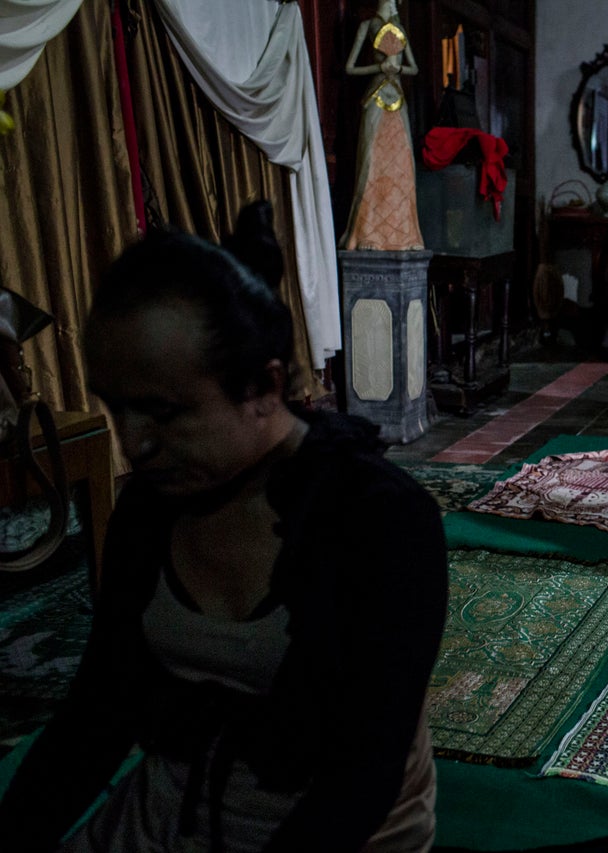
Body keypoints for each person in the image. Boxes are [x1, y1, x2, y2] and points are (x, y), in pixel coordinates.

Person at [0, 204, 449, 851]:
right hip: (166, 823)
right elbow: (98, 714)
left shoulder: (380, 518)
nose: (134, 444)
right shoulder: (151, 509)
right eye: (117, 409)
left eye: (162, 412)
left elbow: (361, 779)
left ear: (264, 387)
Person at [341, 0, 425, 252]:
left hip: (397, 102)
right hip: (375, 100)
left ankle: (406, 235)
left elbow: (414, 68)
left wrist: (398, 67)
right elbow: (349, 67)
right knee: (372, 163)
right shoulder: (367, 25)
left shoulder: (400, 27)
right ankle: (367, 233)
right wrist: (379, 66)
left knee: (402, 166)